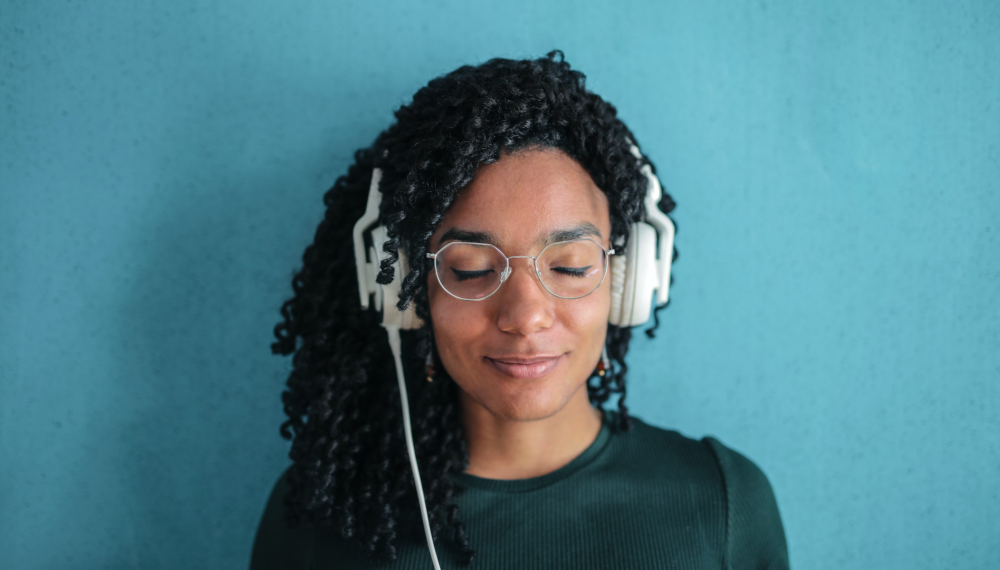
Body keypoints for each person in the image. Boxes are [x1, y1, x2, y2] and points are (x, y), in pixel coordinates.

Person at [250, 51, 789, 569]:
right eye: (470, 269)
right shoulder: (322, 518)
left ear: (627, 280)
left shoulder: (723, 502)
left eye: (571, 266)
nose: (526, 315)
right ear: (406, 292)